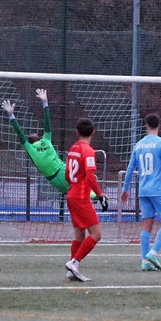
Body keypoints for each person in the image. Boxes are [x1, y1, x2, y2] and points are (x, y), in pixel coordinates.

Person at [0, 89, 106, 210]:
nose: (32, 134)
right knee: (75, 188)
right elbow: (19, 133)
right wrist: (11, 116)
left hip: (63, 168)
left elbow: (47, 123)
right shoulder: (29, 147)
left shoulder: (46, 139)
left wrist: (45, 103)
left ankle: (94, 194)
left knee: (85, 179)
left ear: (39, 136)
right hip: (55, 177)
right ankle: (95, 196)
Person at [120, 113, 161, 272]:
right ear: (159, 125)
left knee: (147, 225)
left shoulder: (138, 145)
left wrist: (125, 188)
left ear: (145, 126)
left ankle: (145, 261)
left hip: (143, 190)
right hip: (158, 188)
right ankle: (153, 252)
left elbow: (130, 168)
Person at [64, 118, 105, 282]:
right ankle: (74, 262)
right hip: (81, 197)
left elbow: (67, 174)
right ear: (93, 133)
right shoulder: (88, 151)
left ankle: (71, 272)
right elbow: (89, 177)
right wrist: (100, 195)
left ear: (77, 132)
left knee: (79, 235)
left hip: (71, 195)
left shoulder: (72, 148)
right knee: (96, 234)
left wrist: (74, 185)